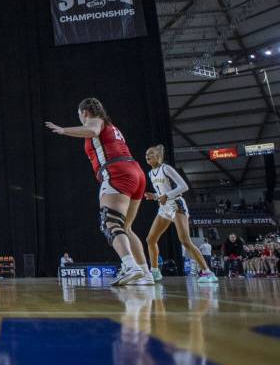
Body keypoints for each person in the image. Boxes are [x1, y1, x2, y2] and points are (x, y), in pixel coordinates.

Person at [46, 99, 154, 286]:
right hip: (136, 172)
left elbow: (93, 130)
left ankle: (130, 266)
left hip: (117, 172)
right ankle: (145, 273)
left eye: (79, 114)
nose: (80, 118)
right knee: (126, 228)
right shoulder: (113, 127)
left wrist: (64, 130)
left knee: (110, 222)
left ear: (85, 112)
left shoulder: (96, 121)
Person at [142, 144, 217, 284]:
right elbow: (161, 194)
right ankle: (155, 272)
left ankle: (208, 272)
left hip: (176, 204)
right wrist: (155, 196)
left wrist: (166, 195)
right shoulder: (151, 173)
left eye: (151, 153)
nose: (147, 156)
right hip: (164, 207)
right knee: (150, 240)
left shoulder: (166, 168)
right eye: (146, 154)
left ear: (158, 156)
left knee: (185, 241)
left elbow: (184, 186)